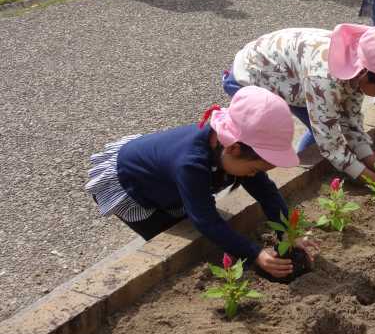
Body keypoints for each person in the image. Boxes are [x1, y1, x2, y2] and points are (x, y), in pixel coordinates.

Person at [86, 87, 317, 279]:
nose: (252, 176)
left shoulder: (235, 148)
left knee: (193, 213)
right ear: (233, 148)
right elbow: (206, 220)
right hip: (133, 186)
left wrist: (288, 232)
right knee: (173, 232)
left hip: (168, 176)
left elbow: (265, 191)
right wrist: (254, 253)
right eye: (253, 170)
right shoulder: (191, 165)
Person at [222, 25, 375, 196]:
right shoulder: (325, 77)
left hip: (291, 81)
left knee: (325, 130)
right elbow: (331, 145)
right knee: (261, 149)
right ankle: (232, 178)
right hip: (253, 78)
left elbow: (349, 122)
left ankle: (307, 168)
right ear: (366, 74)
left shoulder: (356, 67)